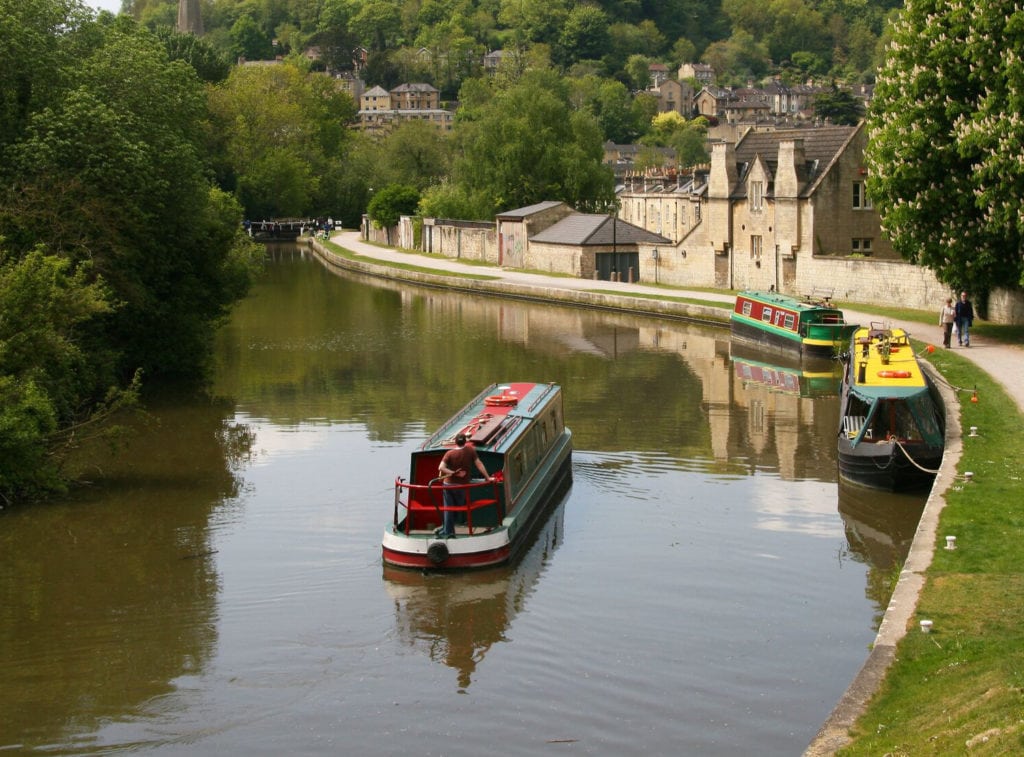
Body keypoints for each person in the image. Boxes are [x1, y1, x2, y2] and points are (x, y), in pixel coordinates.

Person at [437, 432, 492, 537]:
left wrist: (453, 473)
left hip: (448, 484)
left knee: (448, 508)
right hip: (461, 485)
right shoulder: (470, 450)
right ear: (465, 442)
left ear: (455, 442)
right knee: (459, 506)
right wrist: (487, 477)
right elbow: (479, 464)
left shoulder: (449, 453)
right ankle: (448, 529)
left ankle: (447, 530)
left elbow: (441, 468)